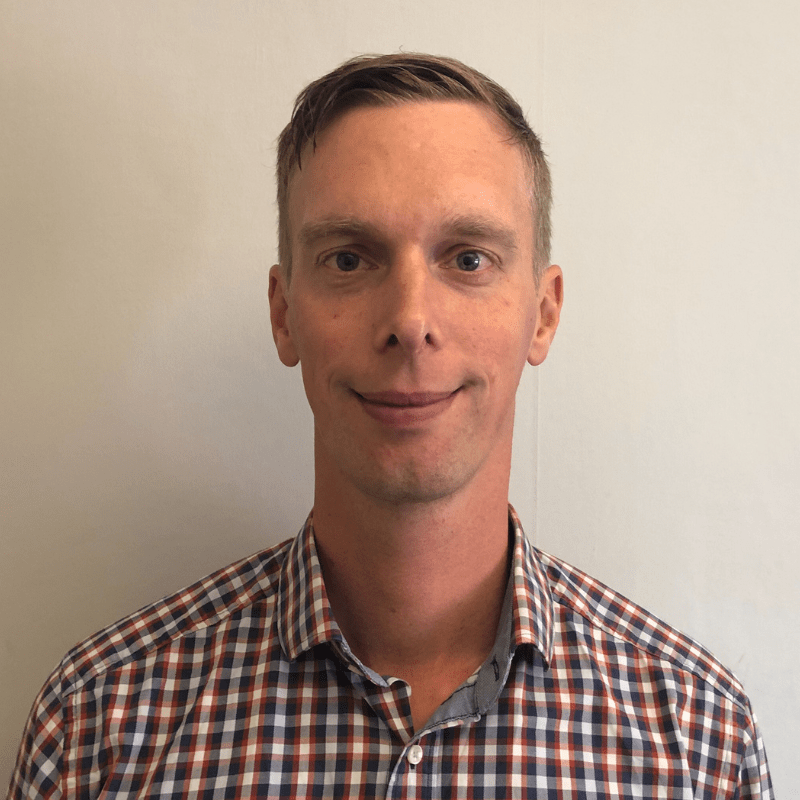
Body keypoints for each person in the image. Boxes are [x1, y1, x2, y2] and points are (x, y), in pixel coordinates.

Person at [8, 53, 772, 799]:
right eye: (349, 259)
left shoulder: (700, 743)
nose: (410, 320)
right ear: (284, 314)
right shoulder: (97, 729)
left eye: (467, 259)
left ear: (543, 314)